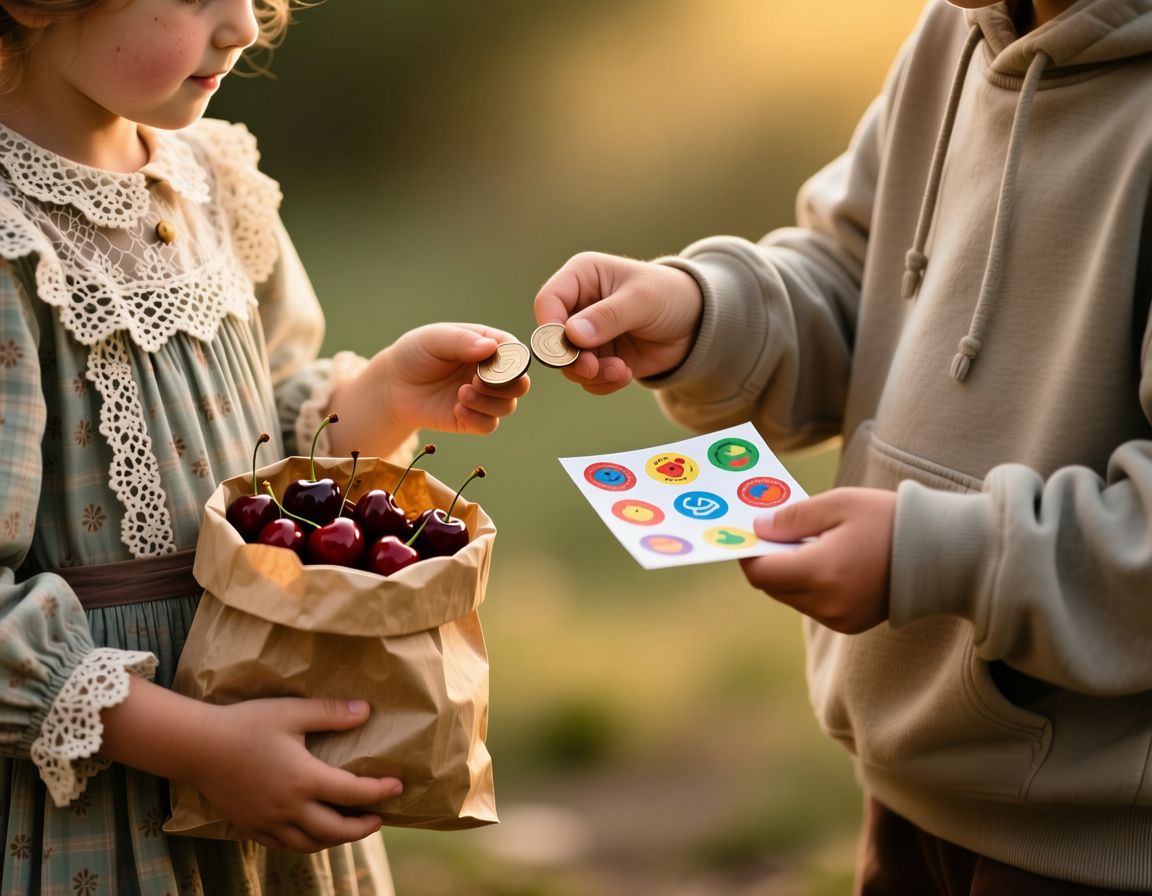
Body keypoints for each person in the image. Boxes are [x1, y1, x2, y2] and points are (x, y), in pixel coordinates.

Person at [535, 0, 1152, 891]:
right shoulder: (959, 30)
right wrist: (706, 312)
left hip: (1097, 843)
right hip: (911, 797)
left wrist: (930, 555)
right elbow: (862, 273)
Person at [0, 0, 529, 892]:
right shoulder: (14, 238)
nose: (245, 24)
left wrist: (383, 395)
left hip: (273, 721)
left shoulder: (212, 176)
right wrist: (200, 745)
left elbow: (275, 457)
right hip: (100, 800)